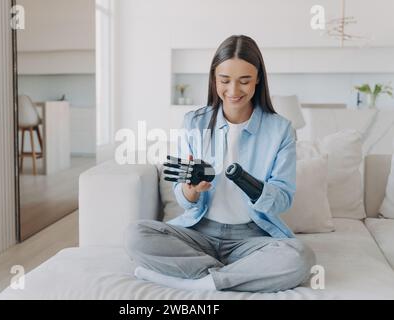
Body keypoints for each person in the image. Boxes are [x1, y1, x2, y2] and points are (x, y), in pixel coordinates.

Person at [124, 35, 316, 293]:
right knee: (136, 235)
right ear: (214, 79)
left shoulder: (280, 130)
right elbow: (183, 197)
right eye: (225, 81)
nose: (234, 91)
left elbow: (283, 199)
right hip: (199, 233)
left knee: (300, 257)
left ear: (258, 78)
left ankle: (200, 281)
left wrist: (252, 186)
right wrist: (191, 191)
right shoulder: (195, 122)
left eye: (244, 81)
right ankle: (233, 275)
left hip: (253, 236)